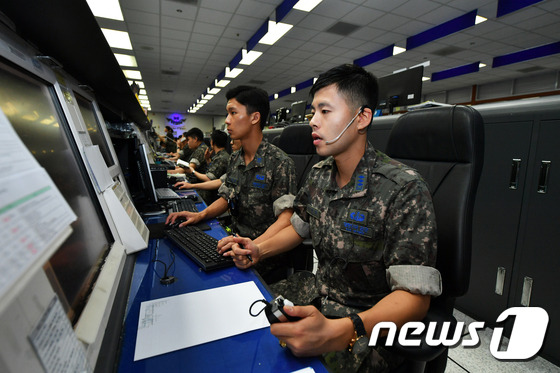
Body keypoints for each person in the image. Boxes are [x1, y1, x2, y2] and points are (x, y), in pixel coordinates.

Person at [225, 64, 441, 372]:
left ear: (362, 118)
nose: (313, 121)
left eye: (325, 111)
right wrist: (259, 249)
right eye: (313, 112)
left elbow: (415, 299)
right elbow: (298, 228)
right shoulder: (319, 174)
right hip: (317, 295)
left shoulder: (404, 188)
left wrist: (340, 331)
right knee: (242, 328)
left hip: (368, 323)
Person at [166, 86, 297, 284]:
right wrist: (200, 215)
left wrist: (252, 246)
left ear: (255, 118)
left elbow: (286, 219)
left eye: (233, 113)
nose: (227, 120)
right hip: (234, 246)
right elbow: (227, 197)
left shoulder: (280, 163)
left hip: (262, 259)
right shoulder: (236, 158)